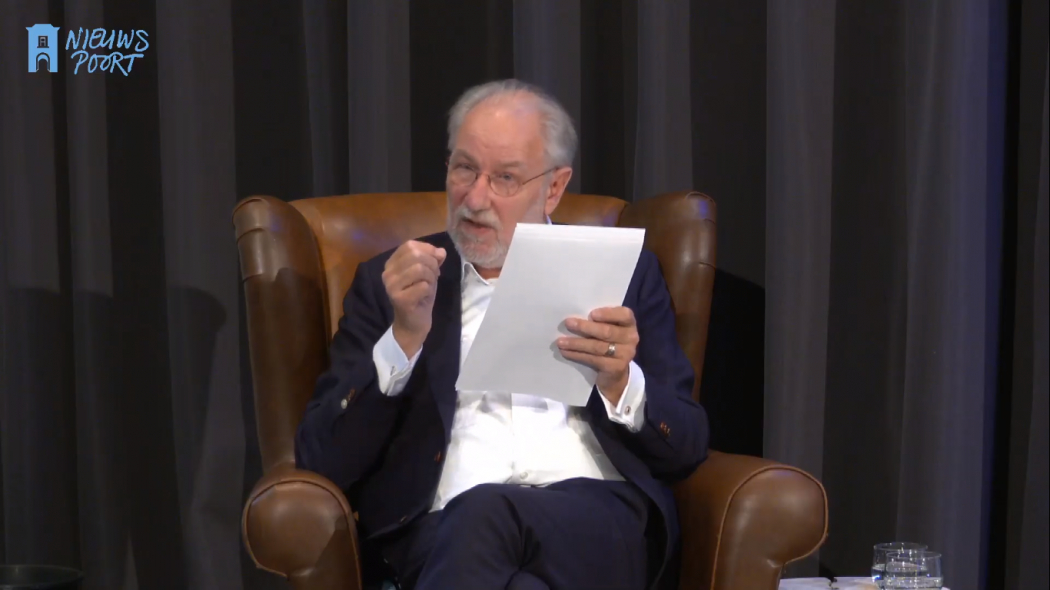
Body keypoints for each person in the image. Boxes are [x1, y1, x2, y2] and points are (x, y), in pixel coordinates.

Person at [294, 79, 709, 590]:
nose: (474, 197)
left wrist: (621, 383)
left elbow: (686, 445)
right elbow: (323, 459)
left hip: (593, 524)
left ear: (553, 187)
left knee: (486, 512)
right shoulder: (393, 283)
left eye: (505, 178)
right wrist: (403, 339)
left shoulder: (624, 273)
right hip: (441, 533)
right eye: (464, 169)